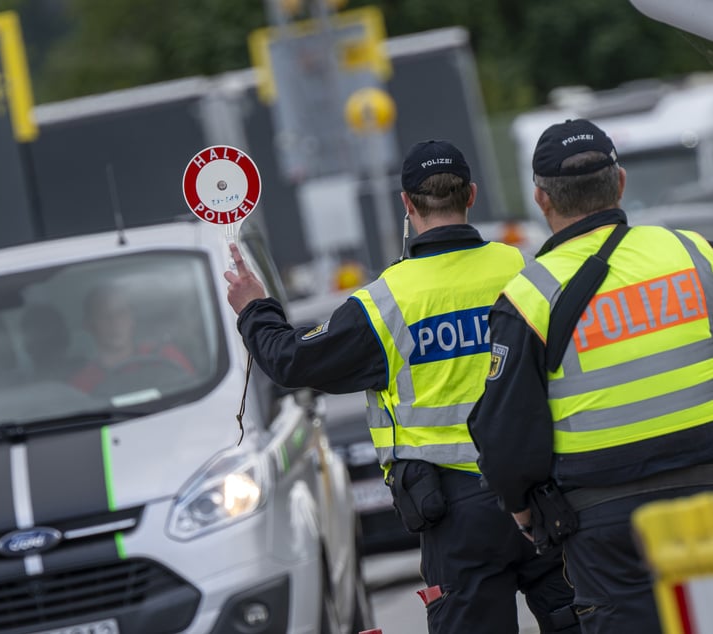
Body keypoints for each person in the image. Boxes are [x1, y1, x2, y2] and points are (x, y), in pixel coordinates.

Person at [224, 140, 579, 634]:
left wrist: (254, 308)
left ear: (407, 205)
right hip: (543, 493)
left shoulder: (386, 301)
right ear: (471, 194)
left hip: (455, 515)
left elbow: (291, 361)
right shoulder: (523, 270)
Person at [467, 119, 713, 633]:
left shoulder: (530, 296)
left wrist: (522, 508)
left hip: (608, 519)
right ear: (620, 182)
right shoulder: (695, 254)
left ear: (541, 198)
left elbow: (506, 431)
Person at [72, 284, 193, 393]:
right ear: (89, 325)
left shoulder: (165, 355)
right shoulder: (81, 386)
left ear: (132, 318)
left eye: (121, 312)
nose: (115, 322)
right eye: (104, 315)